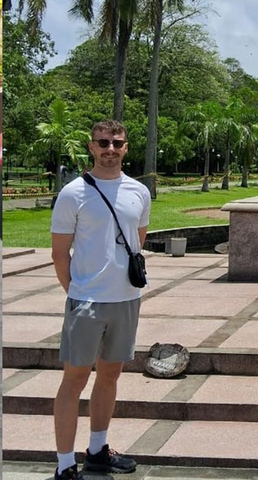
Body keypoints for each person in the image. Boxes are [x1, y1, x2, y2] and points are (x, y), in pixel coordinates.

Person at [50, 120, 151, 480]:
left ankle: (97, 450)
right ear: (91, 147)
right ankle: (65, 465)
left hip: (125, 299)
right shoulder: (73, 193)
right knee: (73, 380)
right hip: (87, 301)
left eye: (117, 143)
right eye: (103, 142)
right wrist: (76, 292)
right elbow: (60, 254)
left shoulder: (139, 192)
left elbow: (136, 242)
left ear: (126, 147)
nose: (110, 149)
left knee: (109, 376)